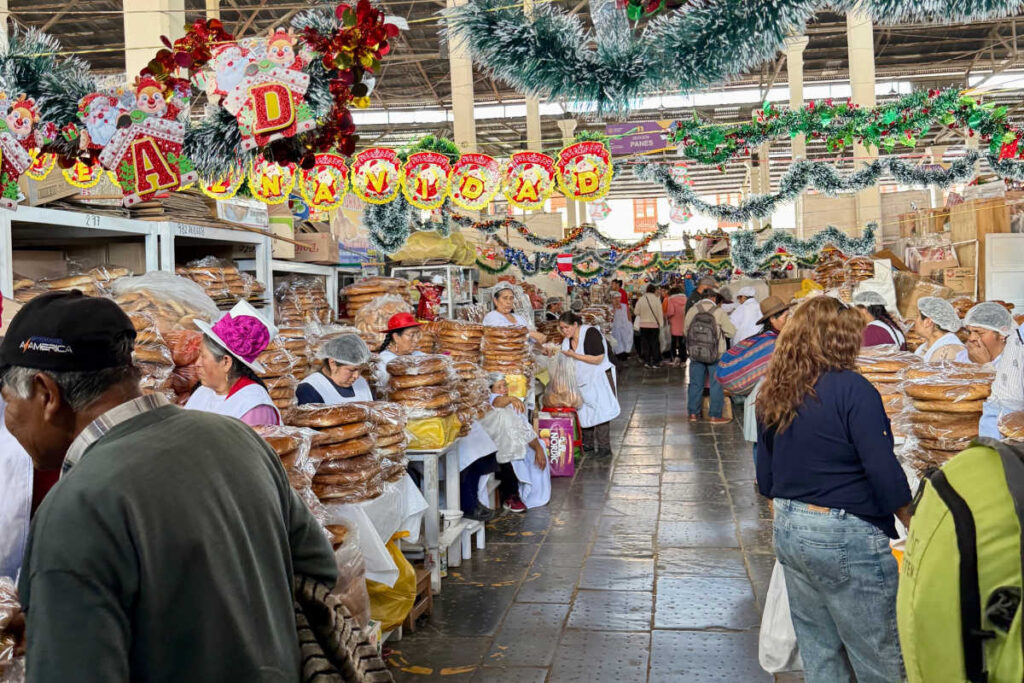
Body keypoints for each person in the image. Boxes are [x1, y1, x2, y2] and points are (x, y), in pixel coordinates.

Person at [2, 291, 337, 682]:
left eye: (7, 400)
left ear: (46, 394)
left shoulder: (75, 507)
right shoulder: (239, 438)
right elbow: (317, 569)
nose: (8, 420)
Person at [756, 295, 911, 683]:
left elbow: (767, 479)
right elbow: (881, 467)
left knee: (820, 651)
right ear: (842, 339)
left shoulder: (774, 389)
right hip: (843, 530)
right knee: (878, 654)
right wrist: (911, 519)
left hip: (790, 528)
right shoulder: (854, 389)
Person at [184, 300, 281, 426]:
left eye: (203, 356)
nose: (197, 363)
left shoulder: (254, 405)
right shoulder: (202, 392)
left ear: (225, 362)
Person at [958, 302, 1024, 438]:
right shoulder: (962, 355)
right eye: (969, 332)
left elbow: (1007, 400)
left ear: (1002, 334)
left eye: (979, 332)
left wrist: (986, 367)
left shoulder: (1014, 359)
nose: (971, 338)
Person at [558, 311, 619, 457]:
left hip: (599, 377)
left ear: (575, 324)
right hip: (581, 379)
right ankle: (588, 444)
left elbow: (598, 358)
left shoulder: (590, 333)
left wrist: (574, 355)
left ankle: (604, 447)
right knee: (584, 410)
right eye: (562, 328)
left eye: (567, 327)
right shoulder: (567, 341)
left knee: (601, 410)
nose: (564, 331)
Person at [740, 296, 792, 463]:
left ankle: (762, 474)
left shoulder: (765, 338)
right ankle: (761, 475)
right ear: (773, 319)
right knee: (762, 439)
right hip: (763, 394)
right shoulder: (771, 342)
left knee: (762, 438)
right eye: (785, 317)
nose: (788, 320)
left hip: (764, 394)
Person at [489, 373, 550, 509]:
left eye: (505, 386)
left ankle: (534, 494)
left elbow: (526, 428)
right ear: (491, 390)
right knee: (510, 456)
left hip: (519, 441)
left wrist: (538, 449)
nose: (504, 389)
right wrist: (510, 398)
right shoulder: (491, 403)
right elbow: (496, 402)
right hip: (500, 447)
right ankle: (512, 496)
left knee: (538, 446)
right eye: (499, 387)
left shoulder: (513, 405)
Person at [684, 287, 736, 423]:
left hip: (696, 354)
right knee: (716, 384)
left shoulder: (692, 311)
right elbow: (731, 332)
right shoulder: (719, 312)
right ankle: (715, 415)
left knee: (695, 384)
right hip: (715, 354)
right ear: (713, 298)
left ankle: (693, 414)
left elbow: (685, 331)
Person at [296, 333, 374, 405]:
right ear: (332, 363)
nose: (356, 376)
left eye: (360, 369)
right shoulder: (309, 389)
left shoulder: (361, 383)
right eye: (352, 370)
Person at [913, 297, 966, 362]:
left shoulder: (948, 351)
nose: (914, 321)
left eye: (917, 316)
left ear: (928, 322)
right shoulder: (924, 347)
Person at [633, 284, 665, 368]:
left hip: (643, 325)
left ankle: (647, 361)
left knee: (645, 344)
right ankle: (655, 362)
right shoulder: (656, 299)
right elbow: (659, 313)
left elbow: (636, 312)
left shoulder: (641, 300)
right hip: (654, 326)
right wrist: (661, 324)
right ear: (654, 290)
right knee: (654, 344)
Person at [663, 286, 688, 367]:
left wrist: (666, 316)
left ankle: (675, 358)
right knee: (682, 343)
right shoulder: (686, 299)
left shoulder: (671, 299)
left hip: (674, 325)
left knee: (673, 343)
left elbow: (670, 312)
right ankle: (683, 360)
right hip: (684, 324)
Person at [609, 279, 634, 358]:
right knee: (617, 340)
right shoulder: (610, 308)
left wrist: (630, 325)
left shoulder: (624, 306)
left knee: (625, 339)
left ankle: (625, 353)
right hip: (615, 327)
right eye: (614, 298)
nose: (617, 300)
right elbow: (610, 317)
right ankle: (619, 354)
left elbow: (629, 316)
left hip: (625, 326)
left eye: (618, 298)